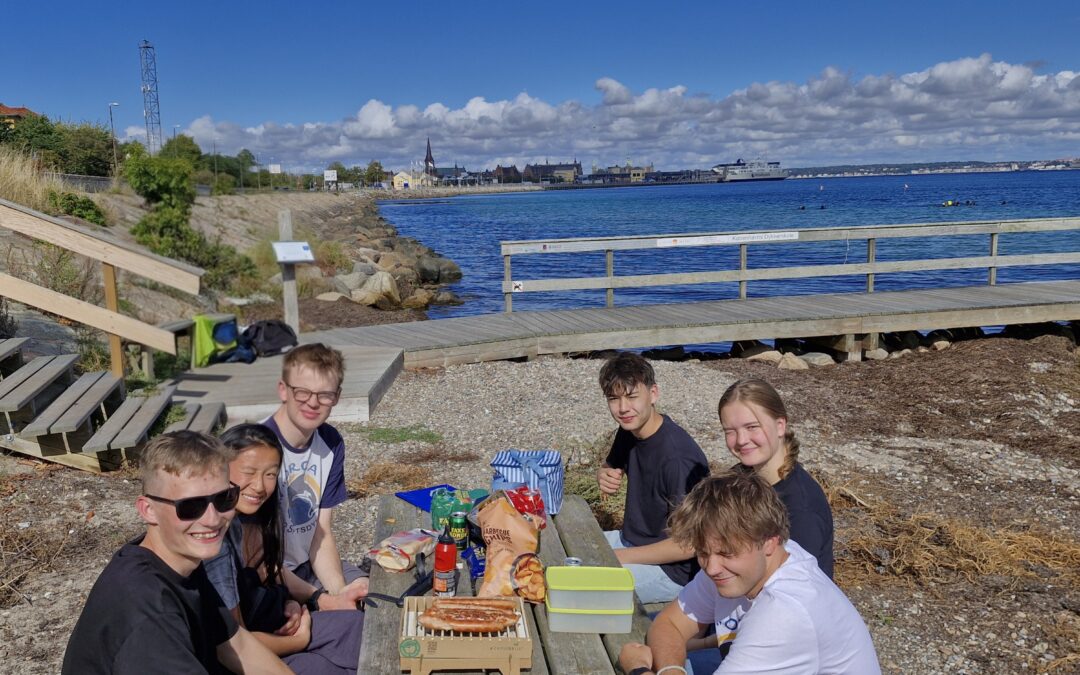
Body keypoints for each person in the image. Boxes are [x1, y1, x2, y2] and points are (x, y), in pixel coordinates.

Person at [62, 431, 290, 674]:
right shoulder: (149, 612)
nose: (212, 519)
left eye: (224, 498)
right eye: (191, 506)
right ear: (148, 509)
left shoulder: (180, 563)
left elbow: (236, 645)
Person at [618, 471, 880, 675]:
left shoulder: (786, 612)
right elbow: (669, 624)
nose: (711, 568)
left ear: (769, 541)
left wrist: (638, 668)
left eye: (726, 553)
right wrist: (671, 669)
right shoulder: (742, 566)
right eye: (703, 553)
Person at [205, 424, 365, 674]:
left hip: (272, 622)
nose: (259, 486)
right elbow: (235, 644)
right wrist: (297, 641)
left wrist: (288, 601)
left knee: (359, 628)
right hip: (246, 652)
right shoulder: (214, 536)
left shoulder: (245, 520)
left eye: (270, 474)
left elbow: (263, 573)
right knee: (322, 666)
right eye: (249, 472)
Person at [596, 352, 710, 604]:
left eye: (632, 397)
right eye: (614, 399)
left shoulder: (678, 460)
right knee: (563, 554)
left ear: (653, 394)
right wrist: (604, 474)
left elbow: (690, 544)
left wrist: (620, 557)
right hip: (631, 541)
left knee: (582, 588)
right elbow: (609, 466)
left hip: (673, 572)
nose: (623, 408)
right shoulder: (631, 428)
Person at [264, 343, 368, 599]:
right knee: (352, 622)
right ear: (283, 390)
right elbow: (251, 556)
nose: (312, 402)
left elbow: (320, 532)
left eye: (325, 395)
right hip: (267, 578)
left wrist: (341, 592)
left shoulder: (331, 442)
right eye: (302, 392)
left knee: (375, 597)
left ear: (337, 397)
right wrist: (323, 601)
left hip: (306, 566)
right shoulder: (259, 448)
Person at [718, 378, 834, 577]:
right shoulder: (741, 475)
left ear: (780, 426)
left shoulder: (801, 509)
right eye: (730, 431)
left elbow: (794, 584)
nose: (741, 440)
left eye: (752, 427)